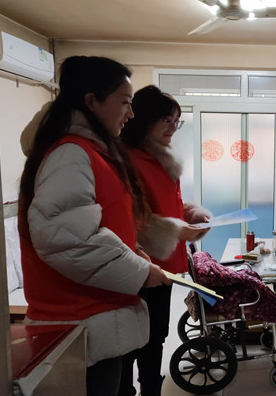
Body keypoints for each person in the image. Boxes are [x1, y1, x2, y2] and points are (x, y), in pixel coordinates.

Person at [17, 56, 172, 396]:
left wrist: (134, 251)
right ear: (92, 101)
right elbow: (68, 240)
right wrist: (140, 270)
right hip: (81, 321)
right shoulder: (70, 154)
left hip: (96, 318)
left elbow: (97, 224)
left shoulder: (92, 152)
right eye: (125, 103)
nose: (130, 114)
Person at [118, 85, 211, 396]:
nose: (172, 127)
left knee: (156, 334)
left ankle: (151, 388)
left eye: (176, 121)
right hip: (137, 263)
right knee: (132, 338)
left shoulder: (162, 159)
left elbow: (168, 206)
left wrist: (192, 214)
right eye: (166, 120)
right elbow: (128, 218)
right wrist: (176, 230)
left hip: (164, 265)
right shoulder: (127, 160)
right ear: (144, 120)